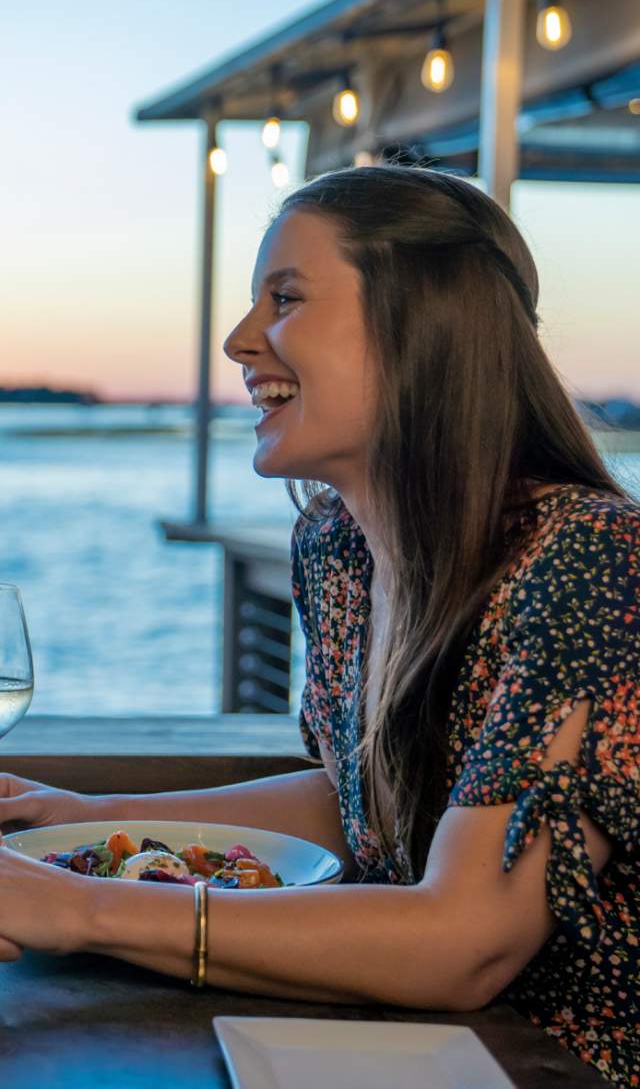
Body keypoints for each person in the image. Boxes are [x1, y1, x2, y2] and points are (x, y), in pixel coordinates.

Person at [0, 165, 638, 1085]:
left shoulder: (592, 564)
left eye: (285, 298)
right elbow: (361, 800)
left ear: (423, 322)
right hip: (404, 1056)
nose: (239, 339)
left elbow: (468, 941)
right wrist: (94, 824)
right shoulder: (339, 549)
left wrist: (82, 909)